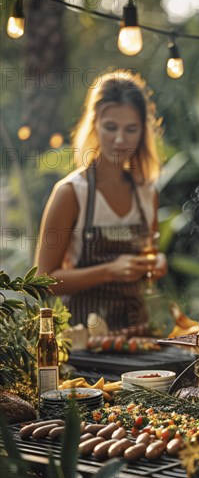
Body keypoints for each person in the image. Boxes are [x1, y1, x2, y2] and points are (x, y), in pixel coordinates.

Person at [36, 70, 167, 332]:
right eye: (110, 127)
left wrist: (156, 264)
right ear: (94, 125)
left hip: (136, 334)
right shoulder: (72, 193)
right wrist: (109, 271)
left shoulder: (146, 193)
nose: (120, 140)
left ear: (143, 132)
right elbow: (43, 281)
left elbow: (147, 255)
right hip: (82, 340)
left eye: (131, 129)